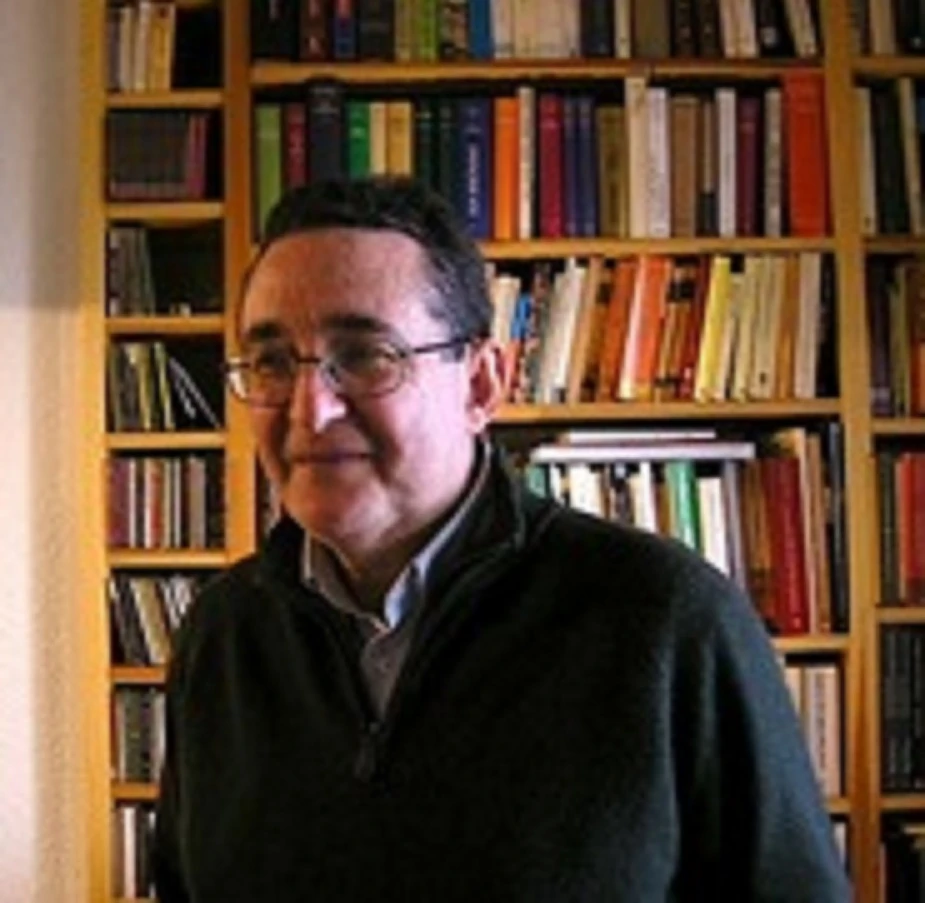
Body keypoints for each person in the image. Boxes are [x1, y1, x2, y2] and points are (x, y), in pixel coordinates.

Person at [153, 176, 851, 902]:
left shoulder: (668, 622)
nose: (310, 409)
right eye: (271, 362)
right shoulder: (221, 635)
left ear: (482, 384)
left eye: (364, 355)